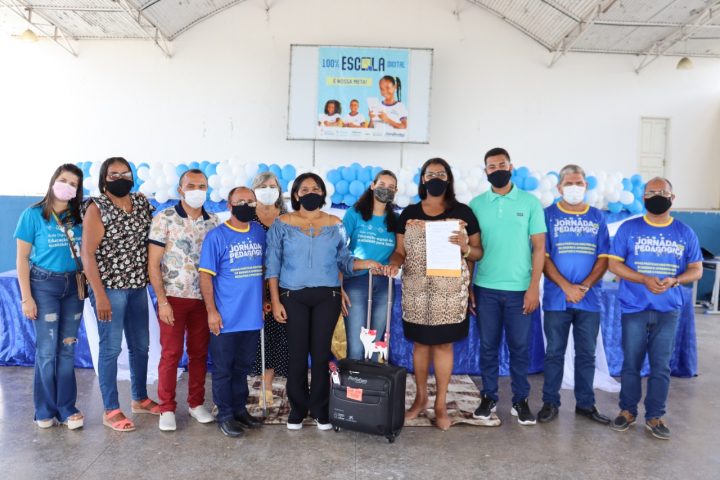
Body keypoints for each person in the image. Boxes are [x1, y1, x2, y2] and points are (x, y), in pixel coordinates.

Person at [265, 173, 381, 431]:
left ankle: (319, 409)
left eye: (315, 188)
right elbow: (272, 265)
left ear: (322, 194)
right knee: (297, 355)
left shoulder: (335, 224)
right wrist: (275, 300)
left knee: (320, 355)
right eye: (305, 189)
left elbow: (344, 261)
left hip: (327, 297)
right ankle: (297, 409)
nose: (310, 192)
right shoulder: (281, 224)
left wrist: (366, 263)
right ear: (296, 195)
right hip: (291, 296)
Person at [385, 158, 481, 431]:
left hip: (449, 294)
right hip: (416, 292)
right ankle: (420, 399)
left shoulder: (463, 212)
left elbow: (478, 253)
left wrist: (465, 247)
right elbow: (400, 251)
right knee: (420, 345)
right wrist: (394, 263)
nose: (435, 178)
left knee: (443, 345)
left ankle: (440, 405)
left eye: (441, 173)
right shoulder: (409, 213)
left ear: (448, 179)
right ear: (423, 179)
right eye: (430, 174)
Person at [608, 177, 702, 440]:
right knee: (631, 363)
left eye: (663, 192)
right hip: (634, 308)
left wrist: (675, 280)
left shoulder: (685, 232)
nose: (657, 196)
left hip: (668, 310)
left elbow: (696, 269)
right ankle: (627, 411)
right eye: (651, 192)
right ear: (643, 198)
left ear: (673, 197)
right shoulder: (629, 228)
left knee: (661, 366)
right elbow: (614, 265)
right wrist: (644, 279)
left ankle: (655, 416)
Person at [469, 147, 546, 426]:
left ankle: (520, 400)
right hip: (485, 288)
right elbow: (471, 249)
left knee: (520, 348)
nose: (497, 170)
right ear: (485, 171)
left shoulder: (530, 203)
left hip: (520, 290)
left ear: (511, 167)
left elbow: (539, 248)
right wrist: (468, 287)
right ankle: (488, 397)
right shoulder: (476, 204)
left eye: (502, 165)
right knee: (488, 346)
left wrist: (533, 287)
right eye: (492, 166)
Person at [81, 157, 158, 432]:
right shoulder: (97, 207)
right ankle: (111, 409)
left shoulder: (141, 203)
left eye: (125, 173)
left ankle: (140, 398)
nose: (121, 178)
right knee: (111, 348)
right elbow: (87, 254)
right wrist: (99, 295)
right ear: (104, 179)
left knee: (141, 346)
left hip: (137, 287)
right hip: (109, 289)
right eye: (114, 174)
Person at [537, 164, 611, 425]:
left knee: (587, 354)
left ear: (586, 186)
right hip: (557, 298)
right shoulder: (547, 215)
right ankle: (550, 403)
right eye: (569, 183)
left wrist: (585, 286)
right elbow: (543, 256)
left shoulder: (597, 217)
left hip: (589, 299)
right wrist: (567, 287)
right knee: (554, 353)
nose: (574, 188)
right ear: (559, 188)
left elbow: (604, 257)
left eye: (579, 183)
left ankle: (586, 404)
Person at [14, 164, 85, 430]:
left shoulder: (79, 216)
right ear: (54, 180)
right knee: (46, 351)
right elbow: (22, 258)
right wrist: (26, 298)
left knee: (67, 349)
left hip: (73, 287)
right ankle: (44, 409)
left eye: (74, 184)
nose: (67, 186)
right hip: (43, 286)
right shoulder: (32, 214)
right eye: (64, 180)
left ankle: (67, 408)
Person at [148, 168, 219, 431]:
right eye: (191, 186)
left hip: (203, 300)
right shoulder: (164, 218)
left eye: (202, 186)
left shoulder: (213, 222)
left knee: (199, 354)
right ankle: (166, 407)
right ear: (180, 189)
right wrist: (162, 301)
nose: (197, 191)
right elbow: (153, 264)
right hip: (173, 299)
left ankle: (196, 403)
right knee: (171, 353)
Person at [199, 187, 266, 438]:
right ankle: (225, 415)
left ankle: (240, 410)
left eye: (251, 201)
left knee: (242, 368)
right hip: (225, 318)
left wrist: (263, 301)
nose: (246, 205)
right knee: (223, 369)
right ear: (229, 205)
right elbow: (205, 276)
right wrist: (211, 312)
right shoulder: (216, 236)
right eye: (240, 201)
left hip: (252, 317)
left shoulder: (259, 232)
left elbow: (263, 270)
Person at [342, 170, 398, 360]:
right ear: (372, 186)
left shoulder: (396, 220)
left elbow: (400, 253)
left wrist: (393, 265)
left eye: (391, 187)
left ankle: (371, 379)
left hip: (384, 284)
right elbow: (338, 248)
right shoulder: (354, 214)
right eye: (382, 185)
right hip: (356, 282)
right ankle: (354, 379)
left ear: (396, 192)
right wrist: (362, 263)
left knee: (374, 345)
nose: (386, 189)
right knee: (356, 347)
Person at [250, 171, 289, 406]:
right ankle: (252, 380)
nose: (268, 190)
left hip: (281, 283)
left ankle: (267, 385)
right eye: (263, 186)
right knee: (255, 335)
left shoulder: (286, 217)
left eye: (272, 186)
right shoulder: (247, 217)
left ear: (279, 190)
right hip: (251, 281)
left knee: (276, 334)